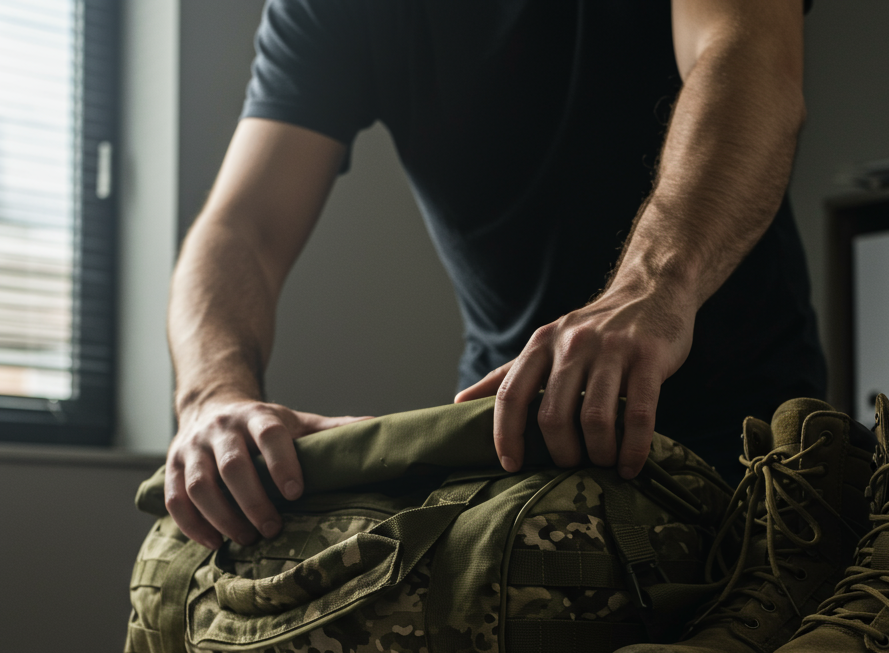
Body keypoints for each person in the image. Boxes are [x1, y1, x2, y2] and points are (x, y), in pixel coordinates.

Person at [164, 0, 825, 551]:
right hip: (505, 449)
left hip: (744, 446)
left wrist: (653, 289)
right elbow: (242, 226)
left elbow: (747, 58)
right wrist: (211, 398)